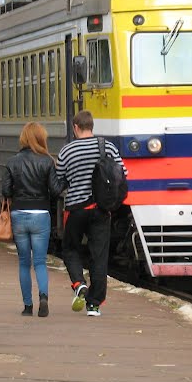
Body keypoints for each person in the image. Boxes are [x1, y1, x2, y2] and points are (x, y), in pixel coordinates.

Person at [56, 110, 127, 317]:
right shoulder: (108, 147)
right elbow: (122, 174)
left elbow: (59, 181)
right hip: (101, 209)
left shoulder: (67, 151)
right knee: (99, 256)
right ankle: (94, 304)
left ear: (76, 127)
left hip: (76, 209)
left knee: (70, 249)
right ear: (92, 127)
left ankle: (79, 284)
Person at [0, 122, 64, 317]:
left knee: (23, 263)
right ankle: (43, 297)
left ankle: (27, 307)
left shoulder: (12, 162)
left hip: (19, 214)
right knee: (40, 262)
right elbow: (55, 191)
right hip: (40, 215)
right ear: (41, 138)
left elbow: (5, 191)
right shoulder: (47, 162)